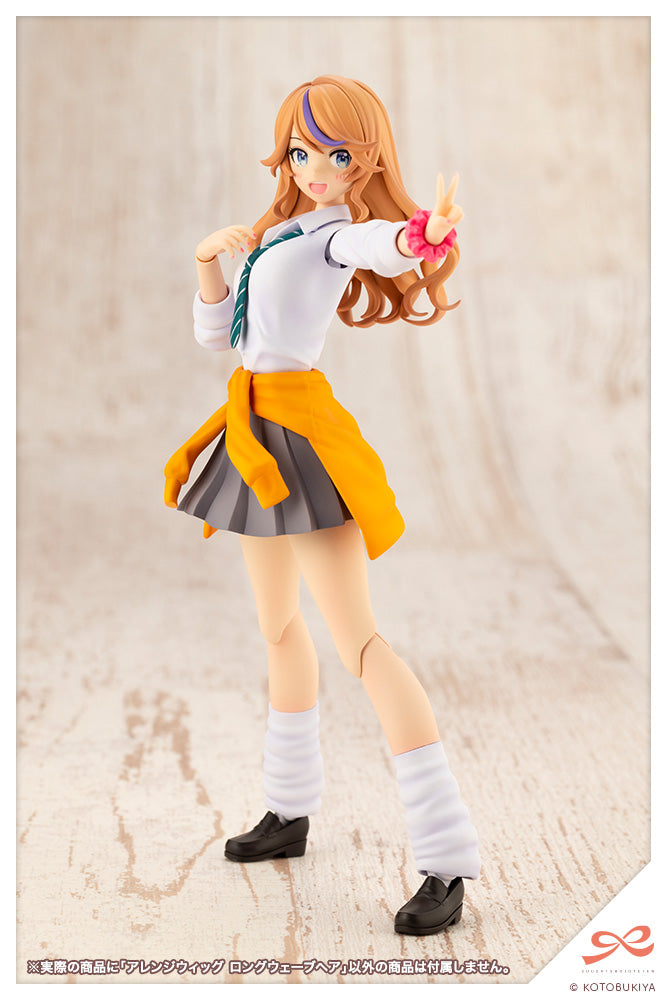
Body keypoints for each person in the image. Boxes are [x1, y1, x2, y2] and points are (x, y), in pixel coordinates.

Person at [164, 75, 480, 936]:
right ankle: (288, 808)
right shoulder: (279, 235)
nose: (315, 168)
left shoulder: (335, 237)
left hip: (300, 436)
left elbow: (382, 246)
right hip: (253, 434)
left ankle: (446, 857)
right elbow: (218, 337)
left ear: (363, 163)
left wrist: (418, 238)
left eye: (337, 155)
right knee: (277, 627)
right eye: (302, 151)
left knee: (360, 643)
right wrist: (208, 262)